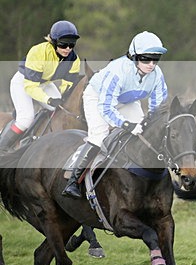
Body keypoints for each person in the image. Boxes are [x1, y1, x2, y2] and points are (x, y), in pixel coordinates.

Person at [62, 31, 168, 199]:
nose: (151, 64)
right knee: (99, 136)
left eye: (156, 59)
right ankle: (73, 181)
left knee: (142, 133)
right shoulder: (117, 71)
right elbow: (105, 107)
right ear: (134, 56)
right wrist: (126, 125)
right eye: (146, 59)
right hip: (98, 98)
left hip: (127, 100)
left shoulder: (157, 75)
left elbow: (158, 106)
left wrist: (149, 124)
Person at [0, 21, 82, 152]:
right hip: (23, 82)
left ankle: (36, 137)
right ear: (53, 42)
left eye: (71, 44)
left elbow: (68, 83)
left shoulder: (73, 59)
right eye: (63, 44)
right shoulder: (38, 52)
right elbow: (30, 86)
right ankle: (2, 148)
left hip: (44, 84)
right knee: (25, 119)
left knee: (60, 109)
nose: (68, 48)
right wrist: (48, 99)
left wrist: (62, 95)